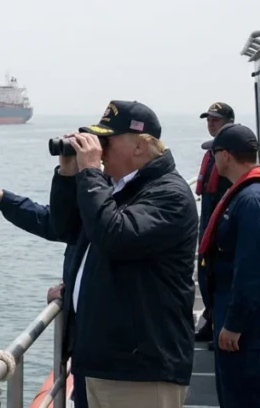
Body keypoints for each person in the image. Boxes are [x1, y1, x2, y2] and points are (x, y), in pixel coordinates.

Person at [53, 100, 196, 408]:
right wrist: (68, 173)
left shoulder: (169, 195)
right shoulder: (120, 189)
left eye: (107, 141)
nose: (99, 150)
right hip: (103, 361)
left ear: (140, 147)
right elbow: (66, 228)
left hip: (138, 371)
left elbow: (115, 237)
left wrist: (90, 172)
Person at [0, 177, 89, 408]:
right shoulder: (99, 201)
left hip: (111, 354)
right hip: (88, 351)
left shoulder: (120, 198)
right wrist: (2, 199)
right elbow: (54, 222)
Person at [197, 123, 260, 408]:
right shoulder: (247, 193)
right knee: (235, 394)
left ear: (225, 156)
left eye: (214, 153)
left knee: (250, 397)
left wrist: (234, 323)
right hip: (240, 309)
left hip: (252, 319)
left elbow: (253, 268)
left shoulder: (252, 200)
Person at [195, 102, 236, 345]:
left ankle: (222, 324)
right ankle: (210, 320)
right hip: (208, 221)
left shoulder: (232, 154)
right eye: (208, 120)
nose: (210, 124)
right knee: (205, 273)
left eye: (215, 120)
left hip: (223, 223)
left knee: (222, 276)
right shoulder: (211, 154)